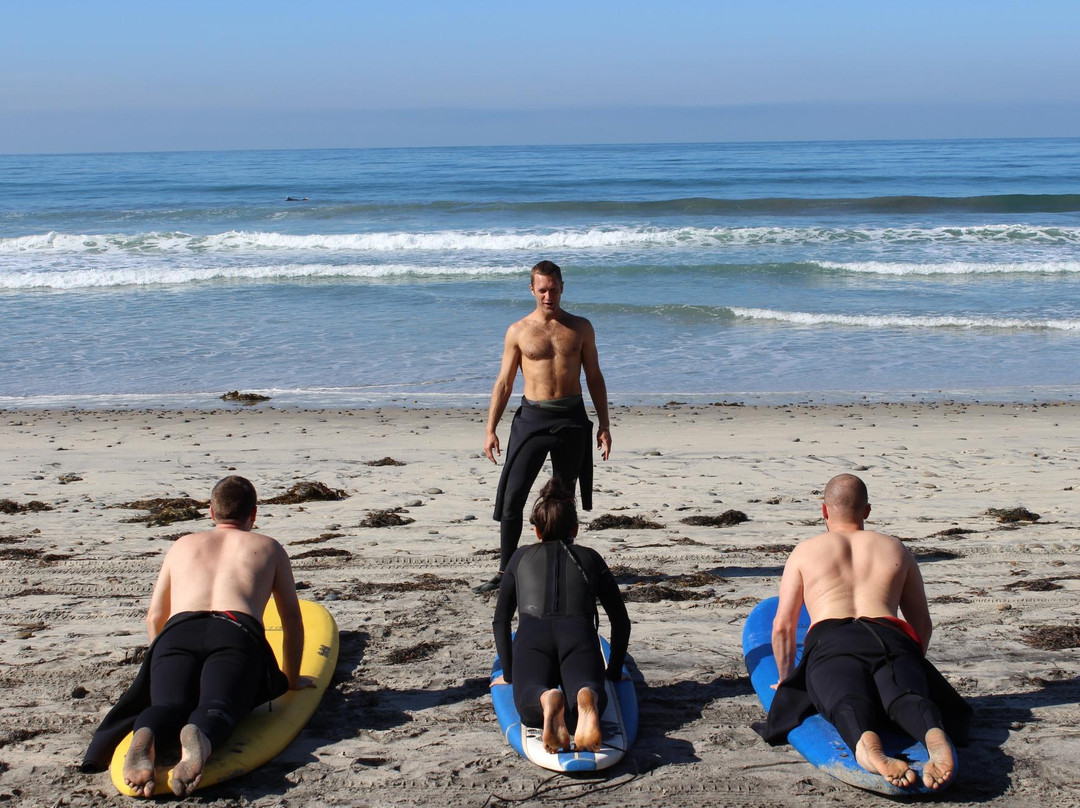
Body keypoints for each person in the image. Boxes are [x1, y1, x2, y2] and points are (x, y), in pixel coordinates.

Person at [81, 475, 312, 797]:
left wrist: (161, 664)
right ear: (254, 514)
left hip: (177, 632)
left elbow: (155, 616)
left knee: (169, 702)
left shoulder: (182, 544)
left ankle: (147, 732)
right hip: (235, 631)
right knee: (219, 704)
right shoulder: (269, 547)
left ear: (211, 512)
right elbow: (292, 620)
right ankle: (198, 735)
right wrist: (291, 678)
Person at [762, 474, 971, 790]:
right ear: (867, 510)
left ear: (824, 510)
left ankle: (867, 747)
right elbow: (922, 624)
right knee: (906, 697)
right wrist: (911, 663)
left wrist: (786, 679)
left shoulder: (806, 551)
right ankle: (934, 735)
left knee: (846, 701)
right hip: (890, 640)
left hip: (833, 642)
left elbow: (783, 627)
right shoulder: (895, 548)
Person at [477, 260, 612, 593]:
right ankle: (506, 573)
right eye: (542, 290)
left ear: (562, 287)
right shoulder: (518, 331)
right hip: (533, 418)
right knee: (513, 497)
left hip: (571, 418)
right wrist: (490, 428)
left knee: (564, 499)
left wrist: (604, 424)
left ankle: (563, 564)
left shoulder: (580, 328)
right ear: (532, 290)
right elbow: (504, 383)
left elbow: (594, 377)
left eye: (553, 289)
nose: (548, 296)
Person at [491, 479, 630, 753]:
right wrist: (613, 672)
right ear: (575, 529)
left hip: (532, 638)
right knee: (589, 689)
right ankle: (586, 695)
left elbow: (501, 620)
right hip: (579, 636)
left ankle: (545, 698)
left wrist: (508, 674)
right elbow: (620, 621)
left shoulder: (518, 558)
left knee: (528, 701)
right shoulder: (591, 558)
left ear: (536, 530)